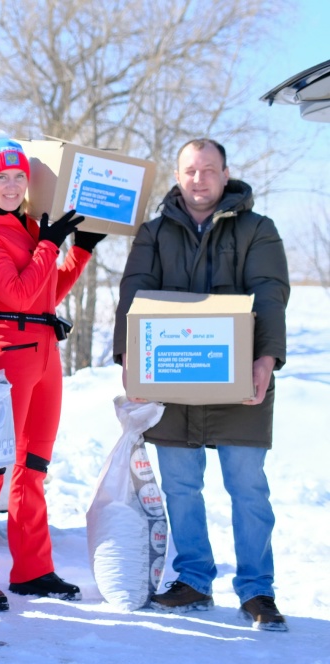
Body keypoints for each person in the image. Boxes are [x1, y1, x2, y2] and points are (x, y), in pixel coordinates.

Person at [114, 139, 290, 631]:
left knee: (247, 487)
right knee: (181, 487)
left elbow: (270, 295)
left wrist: (266, 359)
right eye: (190, 170)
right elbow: (133, 293)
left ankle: (257, 590)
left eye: (208, 170)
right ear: (178, 174)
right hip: (172, 381)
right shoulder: (153, 232)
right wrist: (129, 359)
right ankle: (193, 577)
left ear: (225, 173)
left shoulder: (259, 229)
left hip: (241, 381)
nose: (199, 179)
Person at [0, 131, 104, 609]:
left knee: (33, 465)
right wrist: (49, 243)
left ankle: (33, 569)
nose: (13, 184)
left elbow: (45, 293)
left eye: (20, 176)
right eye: (3, 177)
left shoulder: (28, 226)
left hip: (44, 349)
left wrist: (78, 251)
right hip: (8, 351)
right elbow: (17, 294)